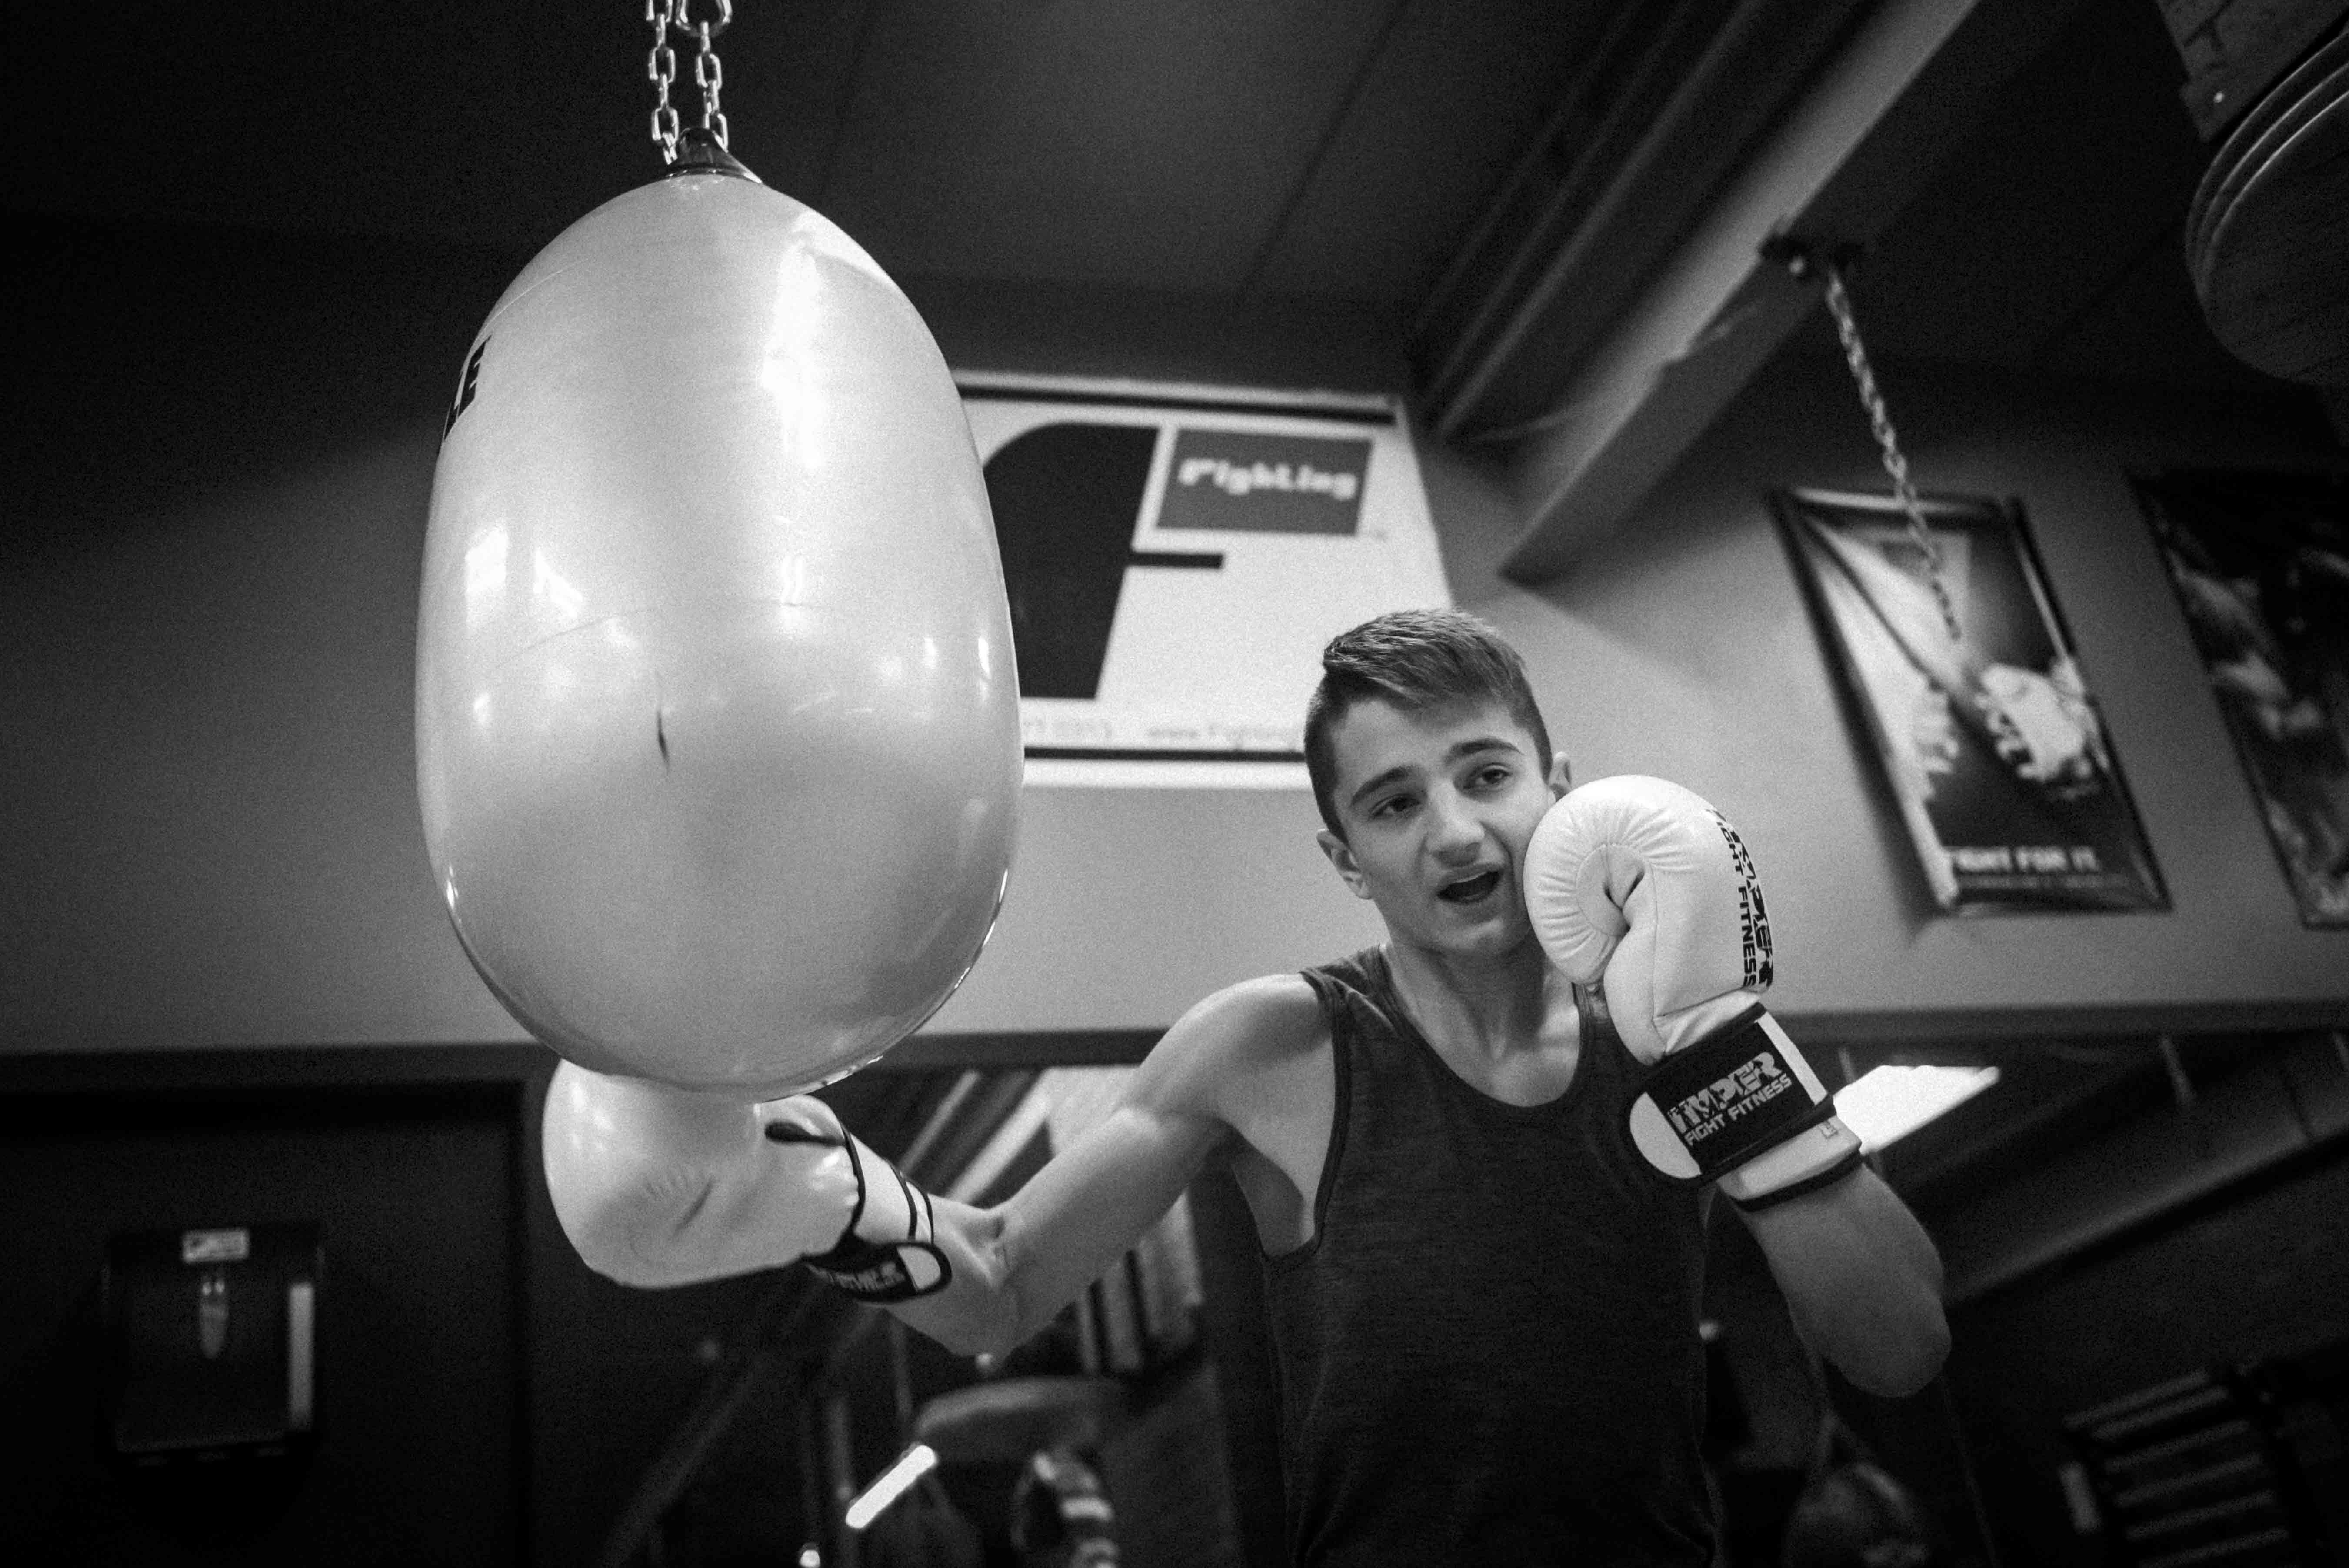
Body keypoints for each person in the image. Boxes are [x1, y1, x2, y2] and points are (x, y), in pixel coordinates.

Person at [543, 608, 1951, 1565]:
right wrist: (830, 1205)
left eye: (1485, 774)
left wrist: (1713, 1047)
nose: (1455, 832)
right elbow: (1003, 1286)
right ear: (1344, 855)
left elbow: (1897, 1349)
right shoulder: (1274, 1047)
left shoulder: (1673, 1025)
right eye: (1394, 803)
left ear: (1559, 784)